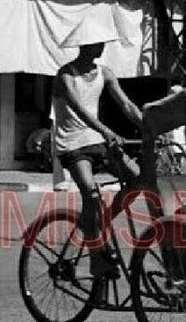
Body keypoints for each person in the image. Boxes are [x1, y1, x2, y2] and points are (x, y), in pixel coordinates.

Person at [52, 14, 144, 277]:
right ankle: (96, 258)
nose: (101, 47)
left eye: (102, 43)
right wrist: (108, 131)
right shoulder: (65, 76)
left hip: (98, 141)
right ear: (84, 45)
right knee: (91, 193)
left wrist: (149, 128)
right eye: (96, 43)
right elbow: (80, 110)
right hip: (72, 144)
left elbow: (126, 106)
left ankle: (99, 223)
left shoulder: (104, 73)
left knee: (138, 180)